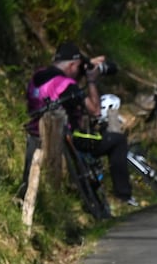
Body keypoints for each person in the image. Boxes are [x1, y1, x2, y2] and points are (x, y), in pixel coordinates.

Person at [22, 41, 137, 207]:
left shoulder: (37, 76)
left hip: (35, 132)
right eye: (78, 67)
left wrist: (86, 63)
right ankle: (123, 196)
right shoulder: (65, 84)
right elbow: (95, 110)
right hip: (68, 139)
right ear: (72, 65)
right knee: (117, 140)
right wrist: (91, 80)